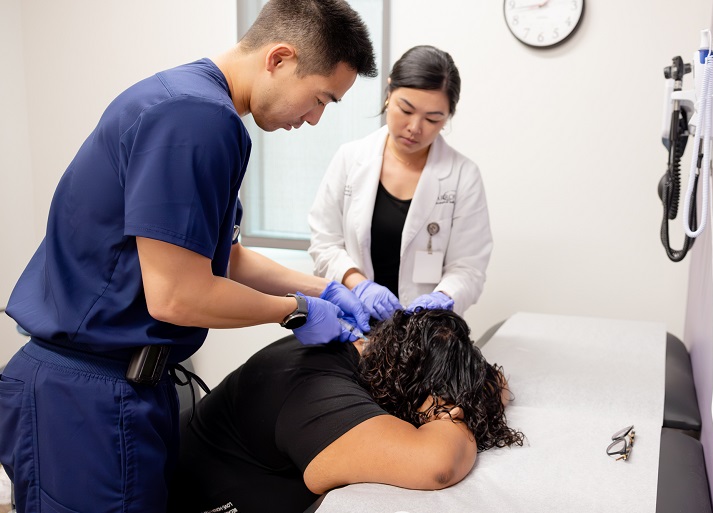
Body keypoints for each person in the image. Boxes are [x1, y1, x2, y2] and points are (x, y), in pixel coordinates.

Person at [0, 1, 379, 512]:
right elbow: (177, 296)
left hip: (116, 387)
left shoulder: (186, 100)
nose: (313, 120)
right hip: (86, 399)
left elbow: (224, 257)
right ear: (280, 58)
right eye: (319, 99)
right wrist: (294, 311)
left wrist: (331, 288)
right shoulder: (198, 119)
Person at [167, 309, 524, 513]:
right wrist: (449, 411)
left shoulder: (368, 355)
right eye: (445, 397)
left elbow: (499, 381)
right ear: (424, 393)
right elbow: (437, 465)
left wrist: (477, 387)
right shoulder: (321, 392)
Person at [309, 45, 492, 321]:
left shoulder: (463, 175)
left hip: (425, 331)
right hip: (352, 321)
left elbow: (469, 268)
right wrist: (358, 284)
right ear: (389, 91)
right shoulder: (351, 158)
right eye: (405, 110)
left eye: (433, 119)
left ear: (448, 117)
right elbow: (324, 242)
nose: (415, 128)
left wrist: (443, 298)